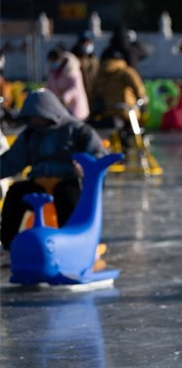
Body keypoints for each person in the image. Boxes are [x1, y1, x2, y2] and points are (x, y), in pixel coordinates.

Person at [0, 89, 106, 255]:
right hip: (39, 181)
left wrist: (86, 168)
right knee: (16, 193)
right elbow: (12, 160)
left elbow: (98, 155)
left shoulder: (78, 131)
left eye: (37, 116)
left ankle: (72, 242)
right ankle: (8, 244)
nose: (34, 120)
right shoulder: (30, 134)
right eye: (31, 117)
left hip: (69, 180)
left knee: (67, 197)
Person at [90, 49, 148, 149]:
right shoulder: (126, 71)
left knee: (115, 138)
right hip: (127, 110)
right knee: (137, 134)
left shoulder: (100, 74)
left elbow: (94, 94)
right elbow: (138, 88)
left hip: (109, 112)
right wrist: (142, 99)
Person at [46, 47, 90, 121]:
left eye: (55, 60)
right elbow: (50, 87)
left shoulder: (72, 69)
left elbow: (75, 88)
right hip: (60, 107)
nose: (53, 62)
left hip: (74, 107)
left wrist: (65, 97)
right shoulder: (52, 72)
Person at [70, 31, 100, 104]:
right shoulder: (73, 60)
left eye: (89, 43)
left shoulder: (94, 60)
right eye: (85, 43)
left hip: (93, 95)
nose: (87, 45)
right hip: (79, 96)